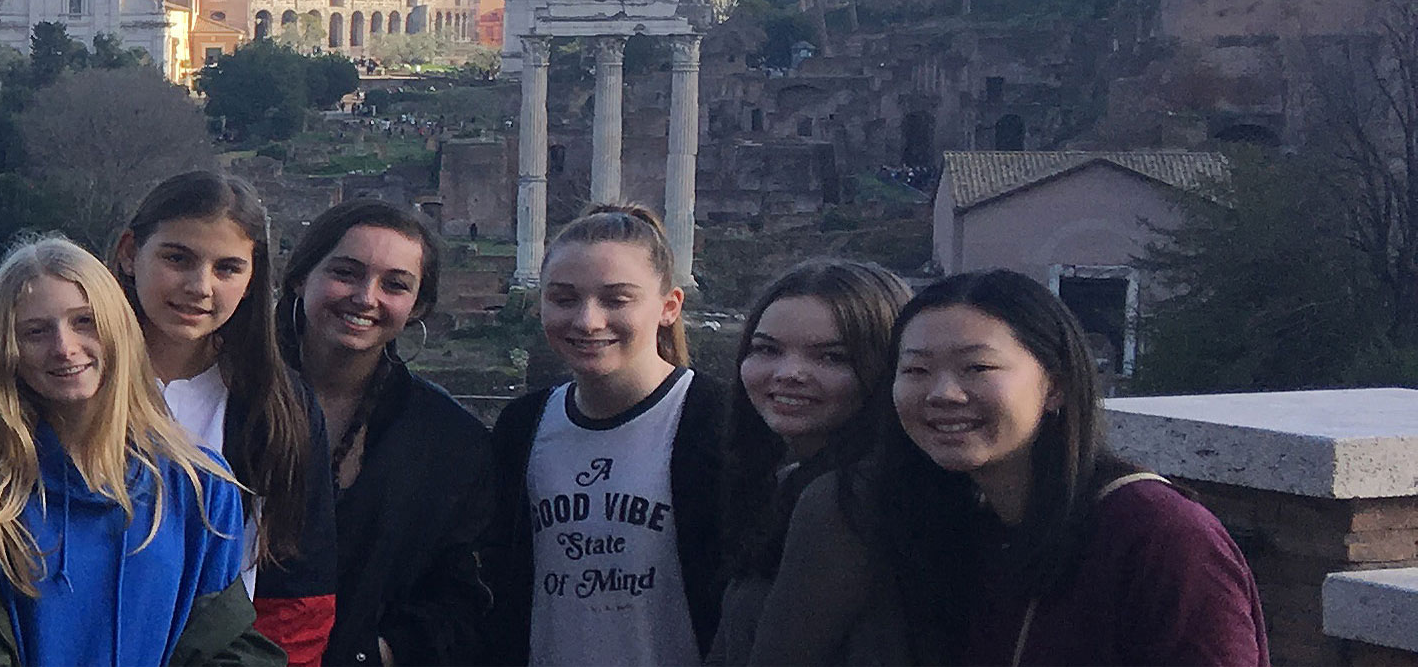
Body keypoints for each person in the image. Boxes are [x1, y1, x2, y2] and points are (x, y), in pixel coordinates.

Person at [862, 270, 1260, 666]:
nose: (943, 393)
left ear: (1055, 386)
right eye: (916, 370)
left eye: (977, 368)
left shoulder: (1160, 535)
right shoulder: (963, 526)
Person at [0, 236, 266, 667]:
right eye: (36, 331)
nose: (64, 347)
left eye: (85, 322)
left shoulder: (200, 486)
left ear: (117, 328)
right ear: (9, 351)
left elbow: (223, 645)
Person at [480, 206, 730, 665]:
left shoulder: (719, 422)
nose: (588, 321)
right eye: (564, 299)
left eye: (616, 300)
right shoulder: (522, 428)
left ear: (669, 307)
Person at [112, 172, 338, 665]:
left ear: (253, 277)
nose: (200, 287)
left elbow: (298, 596)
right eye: (178, 258)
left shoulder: (280, 409)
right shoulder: (68, 382)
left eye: (228, 268)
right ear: (130, 253)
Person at [278, 202, 489, 667]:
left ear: (419, 307)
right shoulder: (220, 399)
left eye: (395, 285)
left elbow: (461, 598)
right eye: (346, 273)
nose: (365, 297)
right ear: (300, 278)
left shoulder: (451, 443)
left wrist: (374, 653)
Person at [704, 259, 907, 666]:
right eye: (767, 349)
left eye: (831, 358)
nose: (788, 373)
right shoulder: (792, 482)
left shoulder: (844, 500)